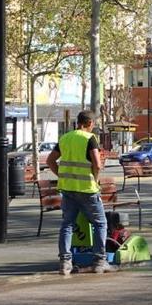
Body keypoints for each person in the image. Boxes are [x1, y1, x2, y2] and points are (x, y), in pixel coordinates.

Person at [46, 110, 114, 275]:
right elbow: (97, 165)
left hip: (68, 189)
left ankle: (65, 263)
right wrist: (95, 179)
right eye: (94, 124)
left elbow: (50, 160)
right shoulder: (89, 138)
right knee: (100, 224)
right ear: (90, 123)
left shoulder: (65, 138)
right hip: (87, 190)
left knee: (67, 225)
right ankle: (99, 261)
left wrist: (61, 175)